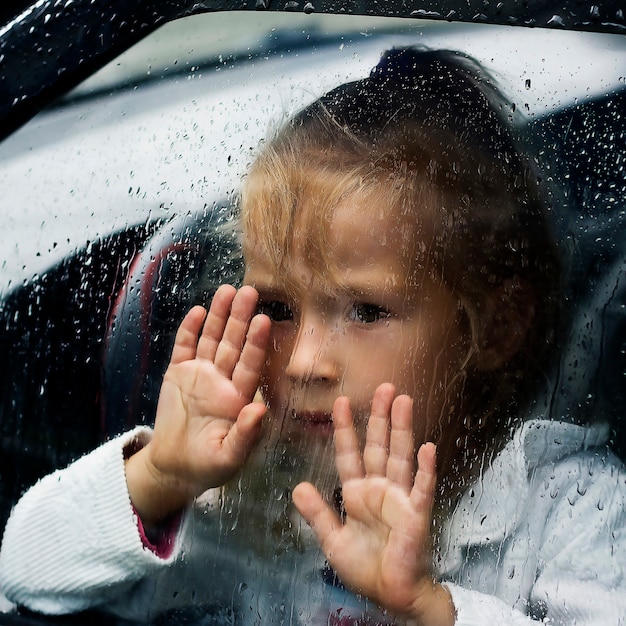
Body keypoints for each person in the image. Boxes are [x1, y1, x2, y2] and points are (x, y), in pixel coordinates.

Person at [1, 47, 625, 626]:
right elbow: (25, 574)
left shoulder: (568, 516)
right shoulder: (251, 488)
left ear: (493, 328)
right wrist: (162, 473)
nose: (303, 363)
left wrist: (430, 606)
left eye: (365, 311)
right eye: (277, 305)